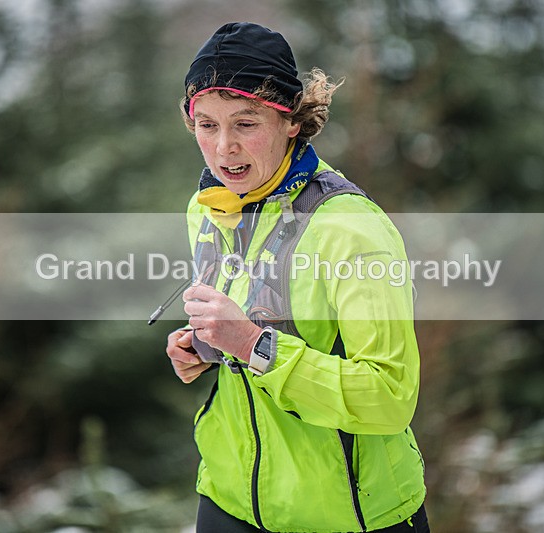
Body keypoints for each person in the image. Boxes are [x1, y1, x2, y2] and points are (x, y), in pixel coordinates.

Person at [165, 22, 428, 533]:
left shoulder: (350, 227)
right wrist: (206, 348)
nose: (223, 150)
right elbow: (256, 322)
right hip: (227, 498)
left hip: (349, 514)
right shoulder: (208, 208)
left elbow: (390, 396)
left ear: (292, 121)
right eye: (207, 125)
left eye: (245, 123)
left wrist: (256, 347)